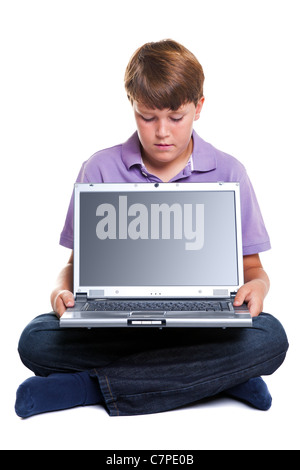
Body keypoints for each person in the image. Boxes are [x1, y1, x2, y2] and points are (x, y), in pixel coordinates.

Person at [15, 39, 288, 418]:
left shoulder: (230, 173)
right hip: (117, 325)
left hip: (201, 327)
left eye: (176, 118)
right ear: (132, 106)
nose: (162, 132)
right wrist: (60, 290)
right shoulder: (98, 170)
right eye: (147, 117)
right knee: (35, 340)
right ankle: (219, 376)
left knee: (271, 338)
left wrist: (256, 287)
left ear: (199, 108)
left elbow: (254, 269)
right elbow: (74, 266)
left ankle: (87, 387)